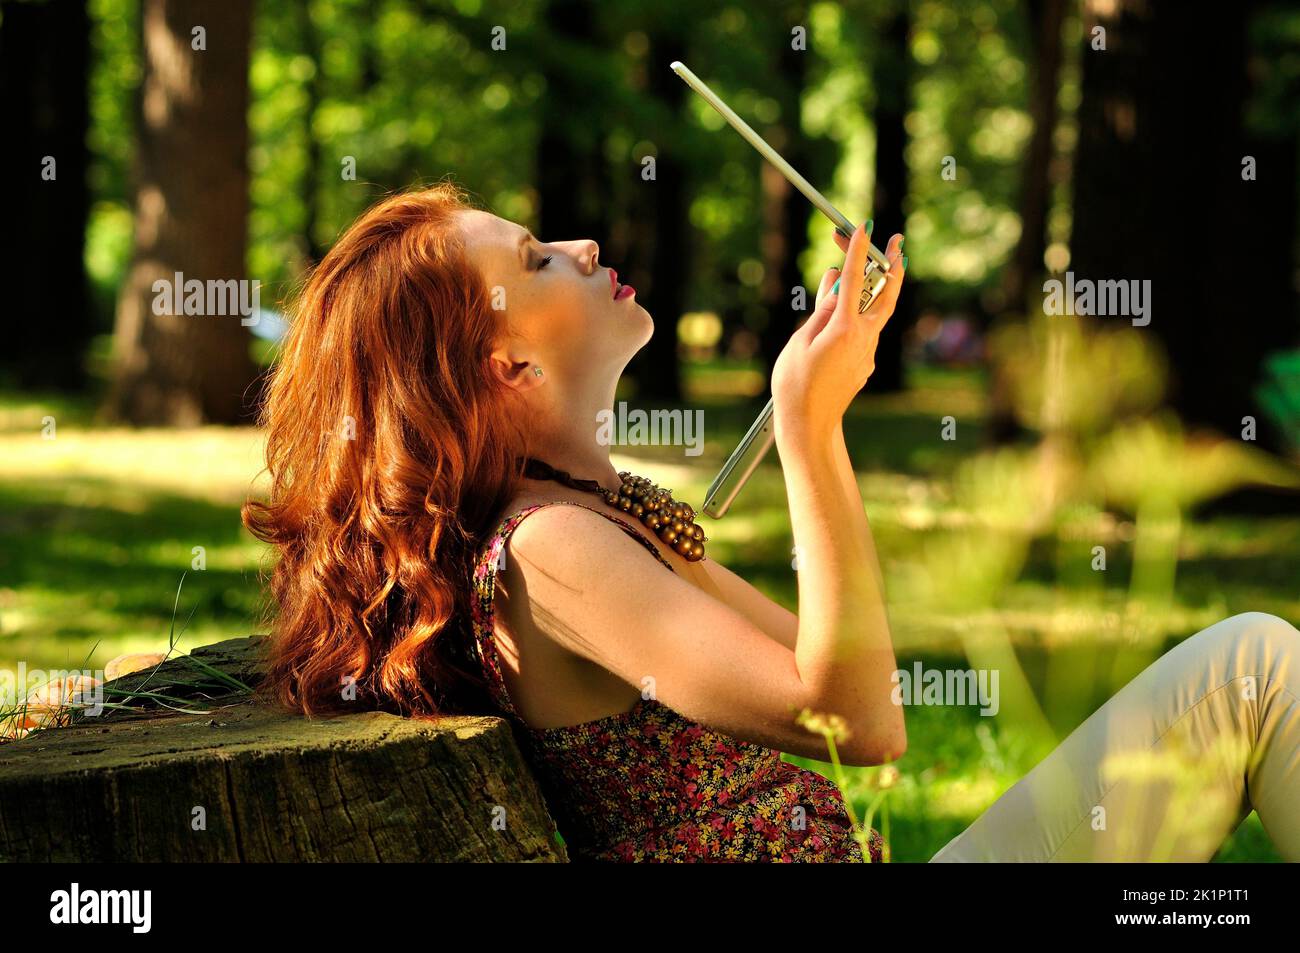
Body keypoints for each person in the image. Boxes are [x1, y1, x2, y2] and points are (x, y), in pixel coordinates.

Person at [244, 182, 1300, 862]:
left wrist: (811, 402)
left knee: (1252, 665)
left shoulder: (587, 514)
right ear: (504, 363)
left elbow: (836, 674)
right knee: (1256, 668)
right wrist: (809, 427)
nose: (580, 241)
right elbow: (862, 726)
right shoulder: (548, 550)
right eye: (534, 260)